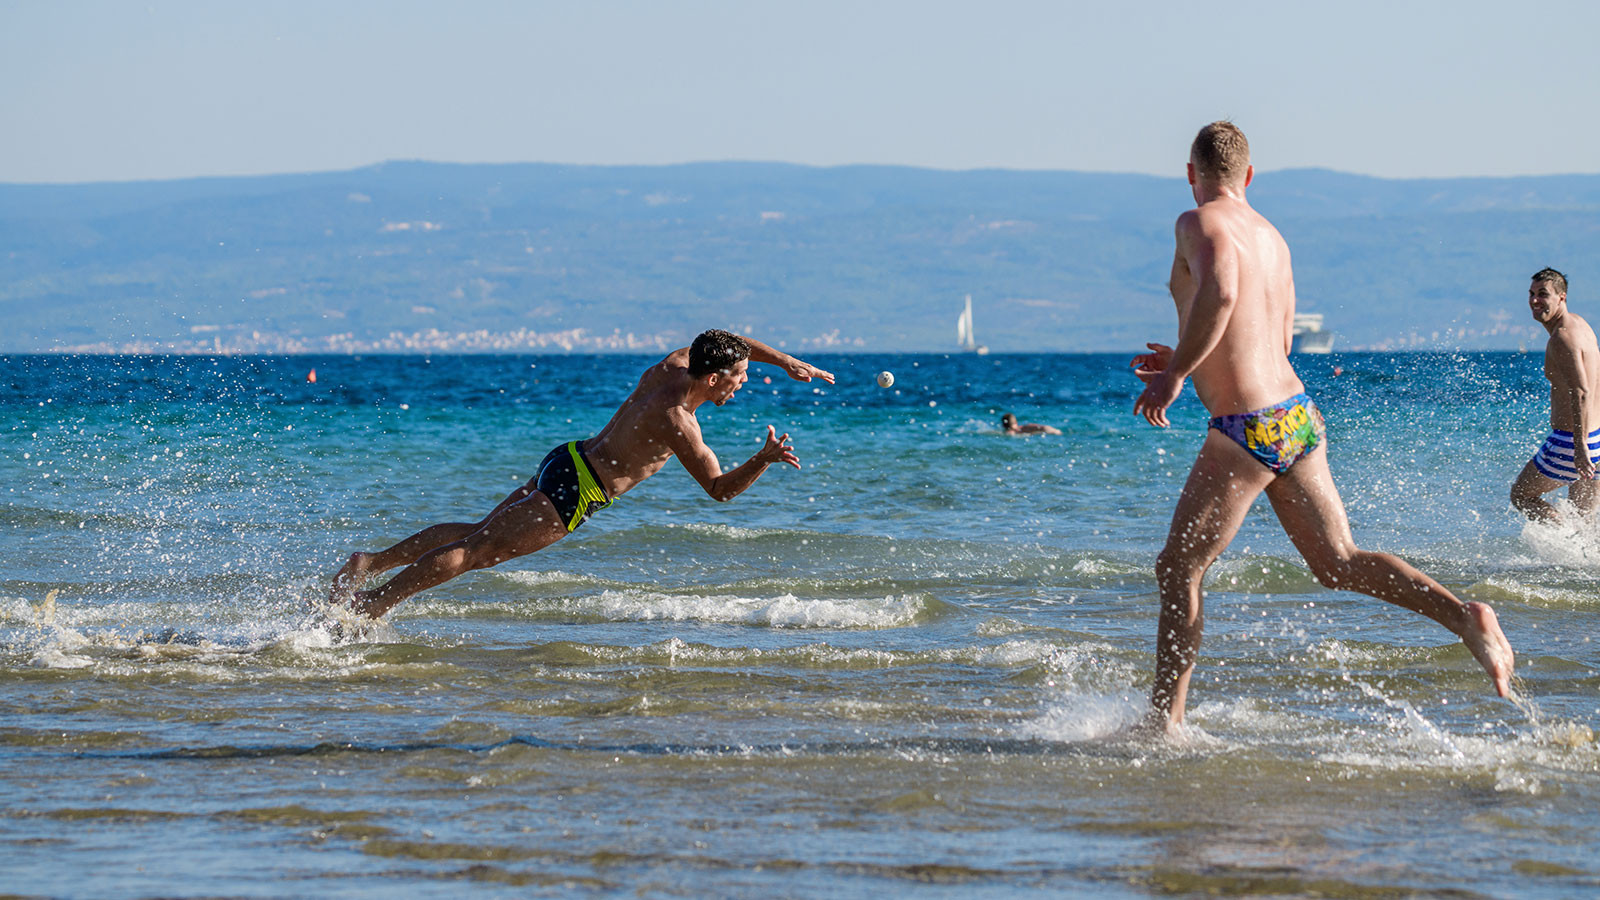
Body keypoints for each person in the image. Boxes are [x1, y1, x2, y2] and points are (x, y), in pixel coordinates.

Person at [1131, 121, 1513, 735]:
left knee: (1179, 568)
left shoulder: (1196, 221)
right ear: (1249, 176)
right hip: (1298, 416)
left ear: (1191, 174)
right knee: (1339, 562)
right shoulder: (1274, 239)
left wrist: (1178, 373)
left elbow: (1223, 293)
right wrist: (1185, 355)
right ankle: (1465, 617)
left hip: (1247, 425)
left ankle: (1163, 724)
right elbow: (1277, 339)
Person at [331, 329, 835, 618]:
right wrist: (762, 460)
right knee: (478, 552)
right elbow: (720, 491)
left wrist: (785, 359)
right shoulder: (679, 423)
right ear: (711, 378)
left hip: (568, 458)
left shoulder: (672, 365)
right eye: (740, 377)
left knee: (476, 532)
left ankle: (370, 563)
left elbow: (722, 334)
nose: (743, 384)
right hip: (579, 490)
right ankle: (369, 606)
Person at [1510, 268, 1600, 521]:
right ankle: (1582, 559)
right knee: (1585, 520)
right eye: (1531, 294)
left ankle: (1565, 540)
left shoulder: (1561, 338)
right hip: (1598, 439)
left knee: (1522, 496)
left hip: (1572, 442)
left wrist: (1580, 447)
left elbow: (1582, 391)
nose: (1534, 300)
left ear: (1561, 297)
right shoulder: (1580, 324)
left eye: (1543, 294)